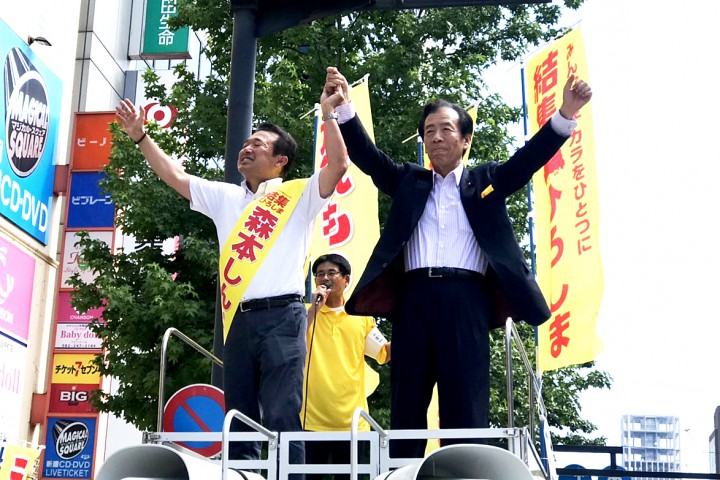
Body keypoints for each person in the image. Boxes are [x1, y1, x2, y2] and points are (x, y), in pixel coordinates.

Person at [322, 66, 592, 458]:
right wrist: (344, 108)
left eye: (446, 129)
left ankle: (463, 471)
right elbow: (368, 157)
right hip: (413, 300)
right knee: (407, 400)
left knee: (466, 403)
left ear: (465, 140)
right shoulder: (409, 181)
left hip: (468, 301)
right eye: (429, 131)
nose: (435, 137)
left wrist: (566, 113)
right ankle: (403, 472)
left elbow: (527, 160)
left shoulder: (487, 180)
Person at [114, 82, 350, 468]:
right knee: (238, 418)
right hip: (237, 320)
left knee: (282, 414)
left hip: (283, 317)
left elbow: (338, 165)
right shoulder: (226, 197)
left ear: (280, 160)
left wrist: (329, 115)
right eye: (247, 142)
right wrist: (140, 135)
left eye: (258, 143)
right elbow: (174, 175)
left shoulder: (297, 195)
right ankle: (241, 476)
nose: (247, 147)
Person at [302, 254, 391, 480]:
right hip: (310, 422)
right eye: (319, 274)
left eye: (332, 273)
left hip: (352, 424)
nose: (325, 278)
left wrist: (409, 320)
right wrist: (314, 308)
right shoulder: (305, 313)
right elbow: (291, 340)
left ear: (346, 279)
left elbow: (384, 353)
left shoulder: (360, 317)